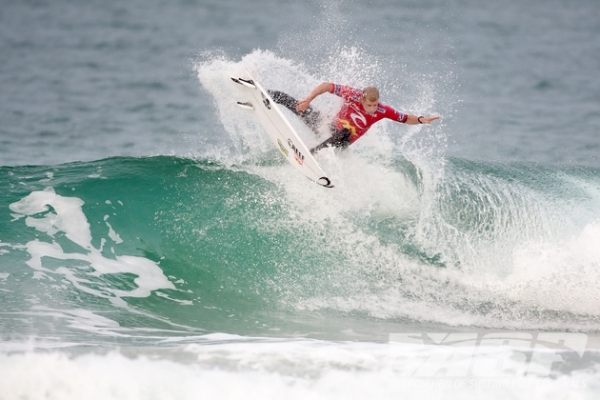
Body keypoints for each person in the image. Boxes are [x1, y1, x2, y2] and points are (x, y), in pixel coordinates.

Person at [269, 83, 440, 153]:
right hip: (328, 129)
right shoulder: (352, 95)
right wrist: (308, 99)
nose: (372, 109)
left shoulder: (383, 110)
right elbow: (326, 86)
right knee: (299, 106)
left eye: (375, 105)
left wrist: (420, 119)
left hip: (342, 141)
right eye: (369, 105)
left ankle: (311, 154)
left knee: (344, 132)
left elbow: (404, 118)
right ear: (362, 99)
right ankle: (265, 94)